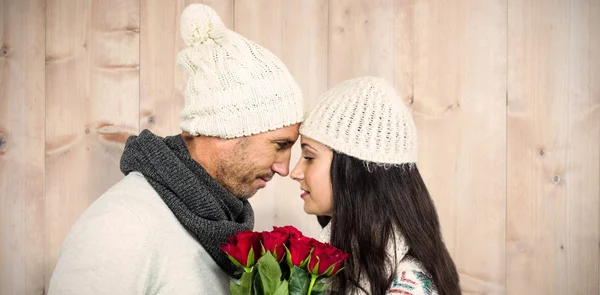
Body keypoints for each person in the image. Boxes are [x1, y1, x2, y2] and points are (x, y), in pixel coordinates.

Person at [48, 4, 303, 294]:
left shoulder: (222, 222)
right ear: (225, 130)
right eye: (280, 144)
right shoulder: (121, 226)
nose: (284, 168)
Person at [290, 76, 461, 295]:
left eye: (309, 156)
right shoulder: (344, 260)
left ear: (353, 171)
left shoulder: (409, 286)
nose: (294, 172)